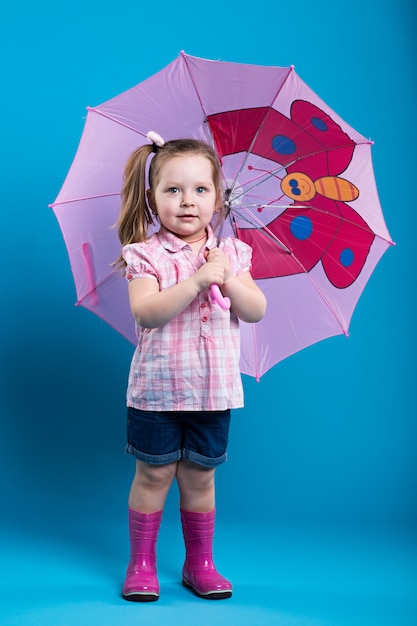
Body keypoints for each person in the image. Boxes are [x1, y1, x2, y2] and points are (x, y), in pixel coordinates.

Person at [115, 131, 267, 602]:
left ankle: (199, 563)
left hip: (212, 392)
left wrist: (226, 277)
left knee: (200, 478)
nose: (187, 202)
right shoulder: (145, 255)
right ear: (152, 197)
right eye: (173, 190)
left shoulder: (231, 253)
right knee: (154, 475)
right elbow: (147, 313)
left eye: (201, 190)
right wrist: (198, 280)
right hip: (157, 392)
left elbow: (255, 309)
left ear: (218, 198)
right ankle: (140, 563)